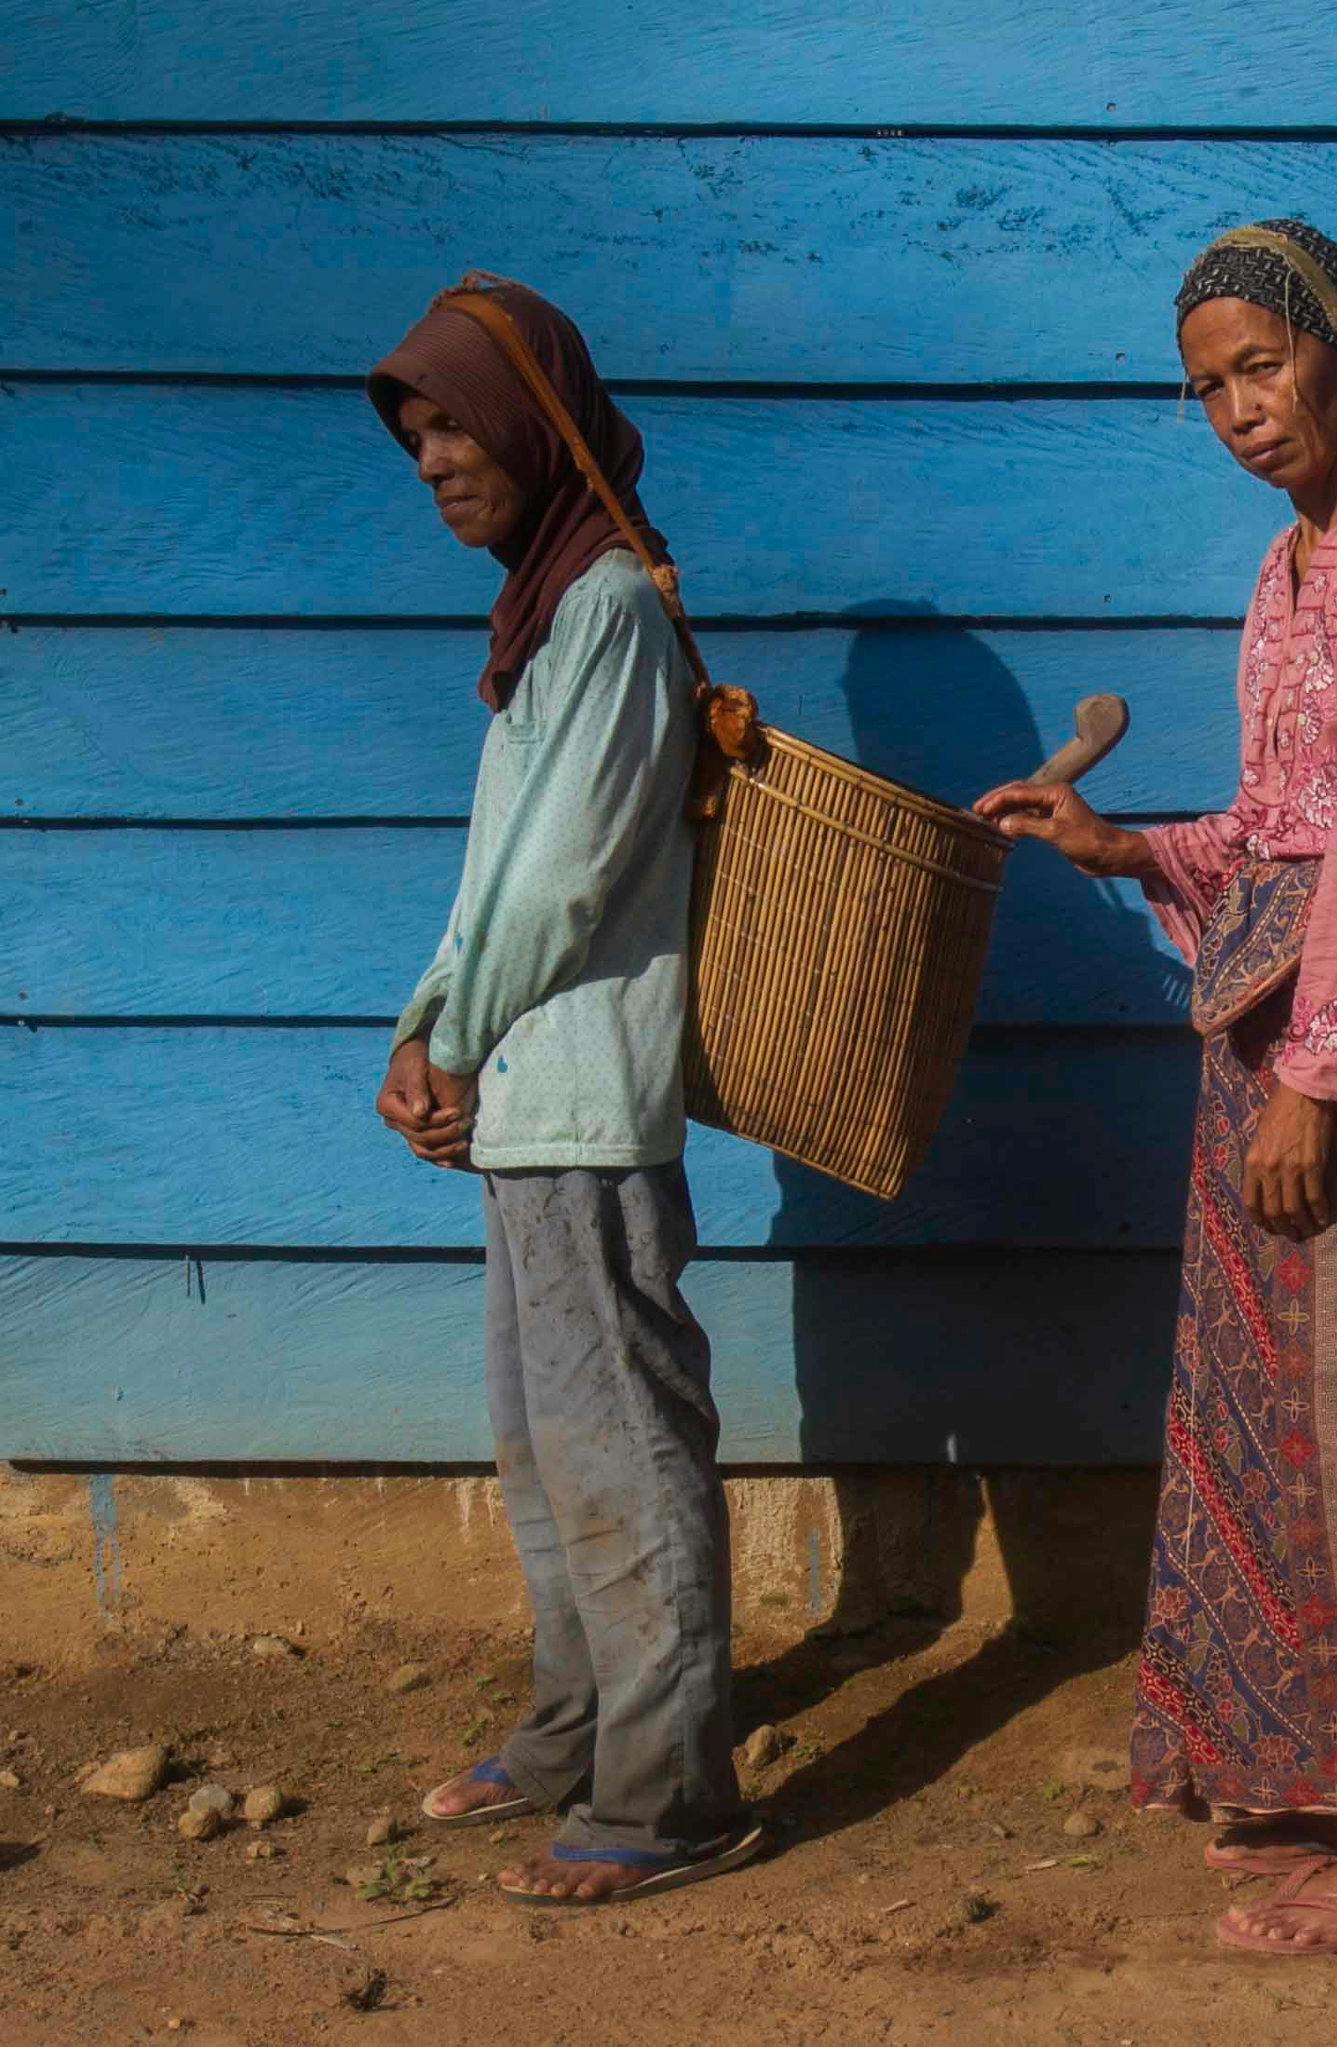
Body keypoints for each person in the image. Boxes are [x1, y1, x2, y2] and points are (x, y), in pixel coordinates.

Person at [977, 219, 1337, 1957]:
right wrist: (1133, 843)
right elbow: (1285, 828)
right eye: (1208, 385)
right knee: (1271, 1411)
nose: (1238, 409)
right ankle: (1331, 1775)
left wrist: (1322, 1080)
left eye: (1261, 368)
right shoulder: (1296, 560)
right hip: (1267, 1019)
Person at [367, 277, 762, 1905]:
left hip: (584, 1084)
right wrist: (422, 1027)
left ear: (535, 424)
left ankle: (671, 1797)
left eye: (458, 422)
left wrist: (458, 1038)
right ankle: (573, 1726)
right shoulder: (542, 615)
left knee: (621, 1439)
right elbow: (494, 881)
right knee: (544, 1446)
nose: (435, 460)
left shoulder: (600, 610)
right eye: (416, 435)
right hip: (526, 1088)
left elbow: (572, 879)